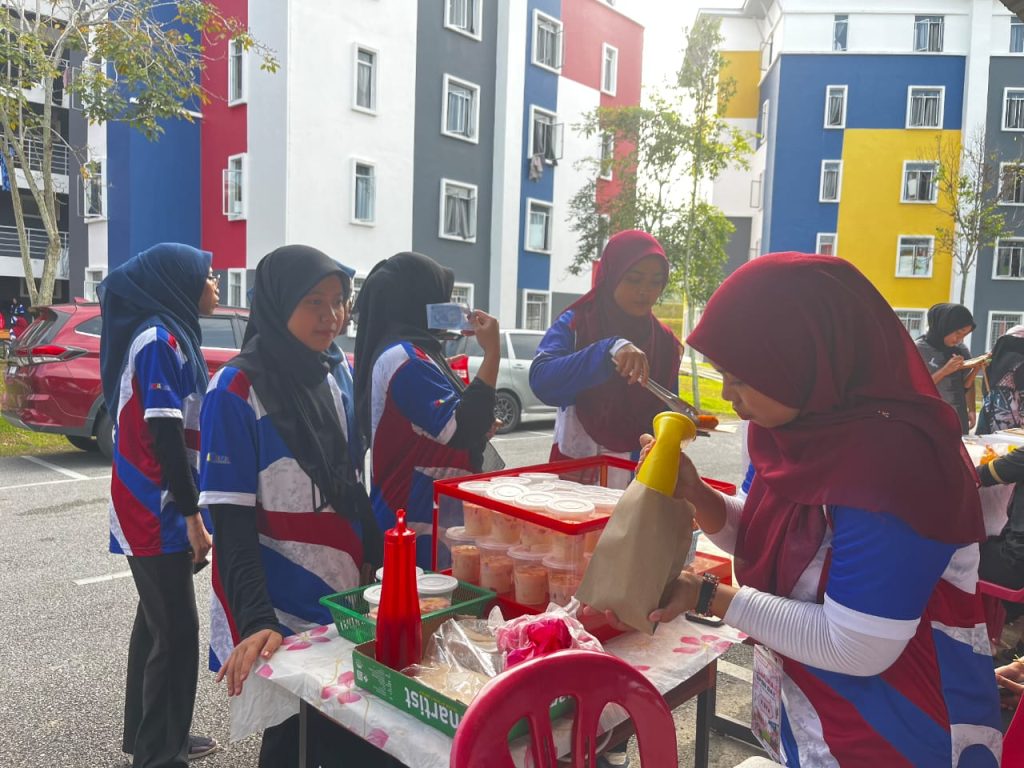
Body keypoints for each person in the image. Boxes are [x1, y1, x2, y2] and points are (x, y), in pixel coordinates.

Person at [623, 253, 1001, 765]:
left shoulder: (896, 464)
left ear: (803, 357)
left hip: (901, 728)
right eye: (722, 374)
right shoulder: (793, 430)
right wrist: (695, 491)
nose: (728, 394)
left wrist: (708, 594)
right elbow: (772, 539)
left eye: (741, 376)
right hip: (814, 710)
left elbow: (857, 645)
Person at [199, 245, 390, 767]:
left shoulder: (333, 374)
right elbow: (230, 520)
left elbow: (350, 483)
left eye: (338, 301)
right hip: (276, 602)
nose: (332, 316)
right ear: (279, 303)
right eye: (314, 302)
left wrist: (376, 563)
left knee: (346, 725)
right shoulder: (234, 388)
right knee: (292, 737)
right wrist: (257, 617)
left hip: (341, 593)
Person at [99, 243, 220, 767]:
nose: (214, 284)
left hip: (161, 506)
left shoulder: (172, 333)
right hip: (153, 510)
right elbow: (165, 435)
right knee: (176, 633)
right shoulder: (157, 339)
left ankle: (153, 736)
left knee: (155, 627)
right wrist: (193, 518)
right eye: (208, 275)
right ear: (179, 282)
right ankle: (159, 754)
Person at [353, 252, 501, 568]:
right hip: (413, 525)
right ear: (416, 300)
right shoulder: (405, 358)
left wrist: (480, 425)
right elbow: (462, 428)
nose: (448, 308)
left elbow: (449, 423)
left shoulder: (418, 350)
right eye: (441, 299)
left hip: (428, 518)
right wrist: (492, 353)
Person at [529, 230, 682, 485]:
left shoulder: (665, 343)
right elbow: (542, 381)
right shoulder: (577, 324)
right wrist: (607, 350)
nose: (645, 291)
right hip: (576, 467)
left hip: (637, 473)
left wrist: (680, 429)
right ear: (612, 275)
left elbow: (669, 413)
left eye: (656, 282)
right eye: (634, 279)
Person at [916, 302, 982, 434]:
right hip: (930, 418)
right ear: (943, 326)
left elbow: (966, 385)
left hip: (957, 417)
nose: (959, 340)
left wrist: (971, 409)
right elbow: (917, 388)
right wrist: (944, 371)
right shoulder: (919, 349)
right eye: (958, 333)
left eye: (964, 335)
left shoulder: (960, 349)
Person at [978, 325, 1024, 435]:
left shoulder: (994, 361)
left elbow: (986, 391)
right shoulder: (1019, 362)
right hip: (1012, 422)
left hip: (990, 415)